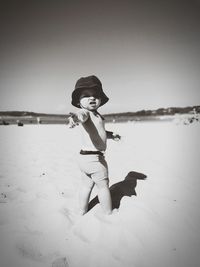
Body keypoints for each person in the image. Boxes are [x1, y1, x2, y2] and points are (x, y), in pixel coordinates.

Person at [69, 75, 121, 215]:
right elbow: (81, 115)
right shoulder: (86, 113)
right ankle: (108, 212)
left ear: (100, 99)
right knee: (103, 187)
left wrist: (111, 135)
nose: (92, 98)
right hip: (94, 159)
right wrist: (75, 118)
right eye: (86, 95)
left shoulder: (97, 115)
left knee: (86, 185)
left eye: (95, 95)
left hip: (83, 158)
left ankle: (82, 210)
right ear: (79, 102)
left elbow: (100, 132)